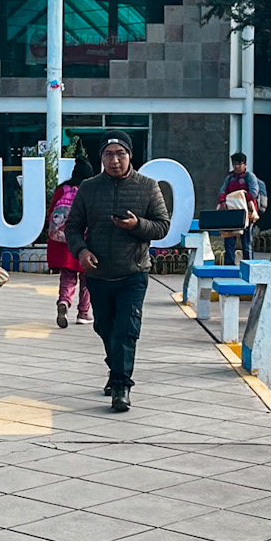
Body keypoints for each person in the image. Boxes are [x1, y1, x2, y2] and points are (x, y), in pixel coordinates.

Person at [64, 131, 170, 411]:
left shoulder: (148, 186)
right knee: (105, 328)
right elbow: (72, 226)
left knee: (126, 330)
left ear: (130, 156)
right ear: (101, 158)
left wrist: (137, 225)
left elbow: (162, 226)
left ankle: (121, 385)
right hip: (98, 274)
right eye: (109, 154)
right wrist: (82, 251)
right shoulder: (89, 188)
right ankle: (115, 369)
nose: (115, 160)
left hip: (133, 273)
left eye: (120, 154)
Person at [45, 156, 96, 329]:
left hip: (63, 242)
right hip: (86, 241)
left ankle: (64, 302)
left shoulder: (62, 189)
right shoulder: (90, 190)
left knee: (67, 277)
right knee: (87, 278)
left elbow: (51, 214)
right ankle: (83, 312)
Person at [218, 152, 268, 264]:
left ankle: (249, 267)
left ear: (244, 164)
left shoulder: (250, 177)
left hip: (247, 215)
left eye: (239, 164)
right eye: (235, 164)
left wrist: (239, 198)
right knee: (229, 242)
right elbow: (222, 191)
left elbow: (254, 193)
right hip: (232, 215)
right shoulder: (230, 178)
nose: (237, 166)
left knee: (247, 243)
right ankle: (229, 267)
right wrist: (223, 201)